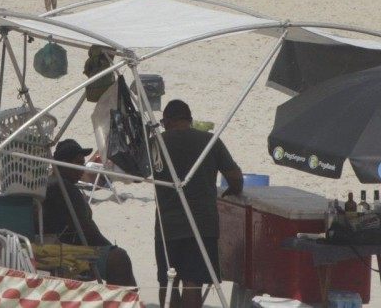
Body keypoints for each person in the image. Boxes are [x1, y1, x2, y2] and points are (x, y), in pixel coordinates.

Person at [153, 100, 242, 308]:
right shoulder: (210, 141)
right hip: (202, 224)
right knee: (193, 283)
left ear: (166, 121)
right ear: (190, 120)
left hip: (168, 225)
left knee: (168, 283)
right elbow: (235, 176)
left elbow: (137, 175)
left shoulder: (157, 142)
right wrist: (235, 191)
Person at [40, 139, 136, 287]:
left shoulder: (52, 184)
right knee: (119, 259)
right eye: (78, 163)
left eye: (83, 164)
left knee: (117, 257)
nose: (82, 169)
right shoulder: (64, 188)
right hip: (62, 250)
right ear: (64, 163)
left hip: (57, 245)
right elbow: (87, 229)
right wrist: (110, 248)